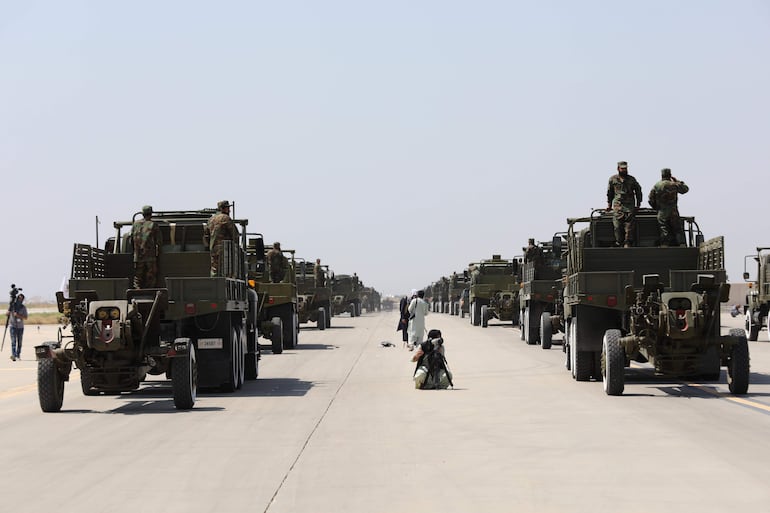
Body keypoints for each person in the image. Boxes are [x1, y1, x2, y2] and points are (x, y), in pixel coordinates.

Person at [648, 168, 689, 246]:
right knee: (677, 228)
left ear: (662, 175)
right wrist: (677, 181)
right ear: (670, 175)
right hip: (673, 211)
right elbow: (685, 189)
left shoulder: (657, 185)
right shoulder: (674, 184)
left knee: (663, 228)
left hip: (662, 211)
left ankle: (664, 244)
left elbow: (651, 199)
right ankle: (682, 243)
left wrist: (656, 207)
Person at [607, 161, 643, 247]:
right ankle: (619, 241)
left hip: (629, 206)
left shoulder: (632, 179)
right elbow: (610, 193)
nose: (624, 170)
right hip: (618, 206)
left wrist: (638, 204)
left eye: (625, 169)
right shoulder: (613, 179)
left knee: (629, 226)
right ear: (618, 169)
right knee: (617, 226)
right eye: (622, 169)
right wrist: (609, 204)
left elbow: (638, 191)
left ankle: (627, 242)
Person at [204, 200, 238, 277]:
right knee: (226, 270)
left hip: (213, 249)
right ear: (223, 209)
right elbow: (235, 234)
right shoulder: (226, 218)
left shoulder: (210, 220)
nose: (229, 210)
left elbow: (206, 235)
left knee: (215, 270)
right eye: (228, 208)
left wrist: (209, 246)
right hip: (225, 249)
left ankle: (214, 284)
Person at [130, 205, 162, 288]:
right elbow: (159, 241)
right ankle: (150, 291)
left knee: (137, 277)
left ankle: (137, 291)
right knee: (151, 276)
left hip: (138, 256)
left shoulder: (135, 224)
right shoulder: (153, 225)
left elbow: (131, 240)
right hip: (150, 256)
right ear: (151, 213)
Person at [8, 293, 28, 361]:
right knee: (13, 341)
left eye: (21, 298)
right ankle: (13, 355)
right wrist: (8, 312)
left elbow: (25, 317)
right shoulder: (12, 306)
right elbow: (7, 313)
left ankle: (18, 354)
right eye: (19, 298)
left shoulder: (23, 307)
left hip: (20, 327)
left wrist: (18, 315)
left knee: (19, 342)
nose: (20, 299)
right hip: (13, 326)